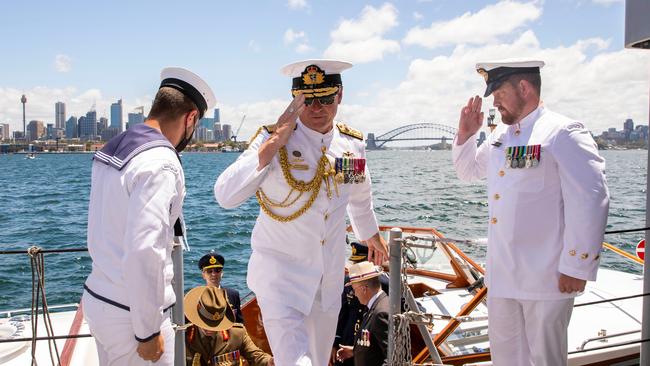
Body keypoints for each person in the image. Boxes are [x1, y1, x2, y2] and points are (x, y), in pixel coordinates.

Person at [214, 59, 389, 365]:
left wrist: (370, 235)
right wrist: (273, 143)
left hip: (328, 279)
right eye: (308, 100)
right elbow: (225, 195)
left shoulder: (351, 145)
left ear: (340, 95)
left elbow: (359, 196)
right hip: (279, 276)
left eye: (325, 97)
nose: (317, 107)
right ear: (295, 100)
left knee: (318, 360)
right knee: (295, 360)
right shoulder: (272, 138)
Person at [452, 59, 609, 366]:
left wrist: (577, 267)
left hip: (546, 277)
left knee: (545, 361)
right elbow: (468, 171)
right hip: (502, 277)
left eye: (498, 92)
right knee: (506, 360)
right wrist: (466, 135)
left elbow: (591, 198)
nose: (494, 101)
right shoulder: (501, 136)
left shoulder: (562, 132)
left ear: (524, 87)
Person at [82, 67, 216, 365]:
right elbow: (146, 249)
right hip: (131, 316)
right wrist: (147, 331)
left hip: (99, 297)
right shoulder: (161, 160)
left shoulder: (114, 146)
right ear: (191, 117)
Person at [331, 242, 389, 366]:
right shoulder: (376, 305)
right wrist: (354, 351)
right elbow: (342, 313)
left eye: (355, 290)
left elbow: (390, 356)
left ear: (364, 288)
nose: (355, 294)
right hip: (354, 344)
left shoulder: (381, 312)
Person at [184, 286, 273, 366]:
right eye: (206, 323)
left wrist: (270, 362)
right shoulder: (183, 336)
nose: (209, 328)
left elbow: (256, 356)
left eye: (214, 325)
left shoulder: (237, 333)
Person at [198, 251, 244, 323]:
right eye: (209, 271)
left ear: (222, 273)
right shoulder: (196, 297)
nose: (214, 274)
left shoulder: (233, 295)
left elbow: (239, 322)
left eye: (217, 270)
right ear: (203, 275)